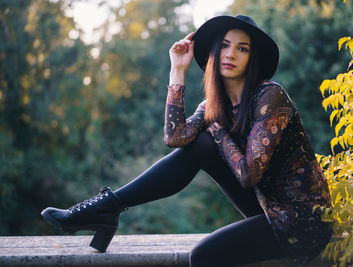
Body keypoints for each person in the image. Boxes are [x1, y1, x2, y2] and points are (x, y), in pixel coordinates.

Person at [41, 15, 332, 266]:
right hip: (269, 208)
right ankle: (108, 207)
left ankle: (105, 210)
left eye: (242, 49)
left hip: (304, 221)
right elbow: (175, 137)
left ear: (251, 58)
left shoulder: (269, 96)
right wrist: (177, 70)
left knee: (203, 256)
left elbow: (248, 173)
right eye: (225, 46)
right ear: (214, 53)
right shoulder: (212, 105)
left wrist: (217, 133)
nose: (231, 54)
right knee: (200, 145)